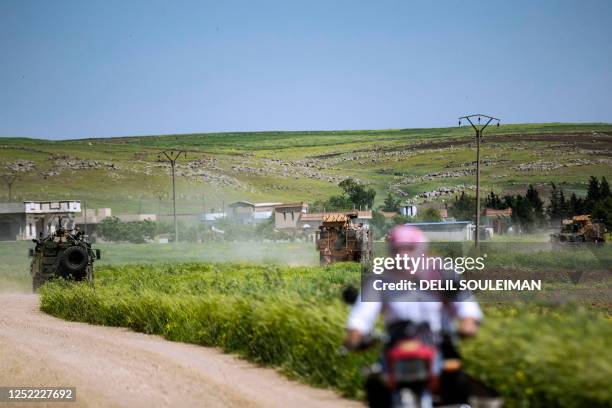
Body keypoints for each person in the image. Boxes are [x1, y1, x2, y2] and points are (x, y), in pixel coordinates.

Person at [344, 225, 482, 407]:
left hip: (439, 343)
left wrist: (468, 323)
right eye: (397, 250)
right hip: (396, 345)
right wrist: (355, 334)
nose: (402, 255)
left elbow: (464, 303)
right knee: (375, 384)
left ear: (421, 249)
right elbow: (362, 314)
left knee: (457, 386)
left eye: (408, 249)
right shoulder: (380, 278)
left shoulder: (442, 272)